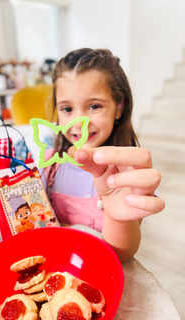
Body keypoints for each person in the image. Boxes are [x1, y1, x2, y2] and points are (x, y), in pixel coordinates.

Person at [40, 48, 165, 262]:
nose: (79, 122)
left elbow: (123, 254)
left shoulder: (128, 173)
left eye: (94, 106)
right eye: (67, 109)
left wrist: (119, 219)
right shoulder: (50, 164)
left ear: (119, 107)